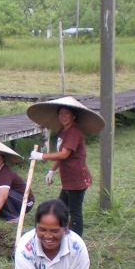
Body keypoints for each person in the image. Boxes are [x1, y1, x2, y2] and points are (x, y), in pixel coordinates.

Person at [26, 96, 105, 237]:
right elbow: (61, 155)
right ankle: (61, 231)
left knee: (74, 211)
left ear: (74, 115)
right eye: (60, 113)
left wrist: (41, 156)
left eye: (66, 113)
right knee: (61, 207)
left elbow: (64, 154)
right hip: (69, 179)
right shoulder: (64, 131)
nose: (63, 116)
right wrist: (52, 170)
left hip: (77, 179)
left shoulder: (74, 132)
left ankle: (76, 240)